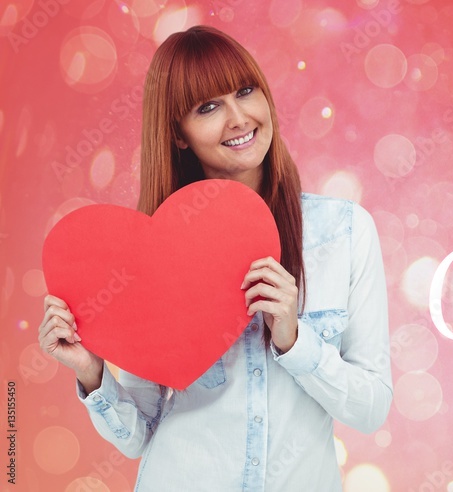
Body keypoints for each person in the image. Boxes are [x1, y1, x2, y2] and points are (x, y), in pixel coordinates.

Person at [38, 25, 392, 491]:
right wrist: (91, 371)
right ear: (179, 135)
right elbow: (138, 435)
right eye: (207, 107)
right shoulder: (153, 257)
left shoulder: (344, 232)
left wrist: (293, 340)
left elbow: (369, 410)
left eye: (245, 91)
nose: (238, 118)